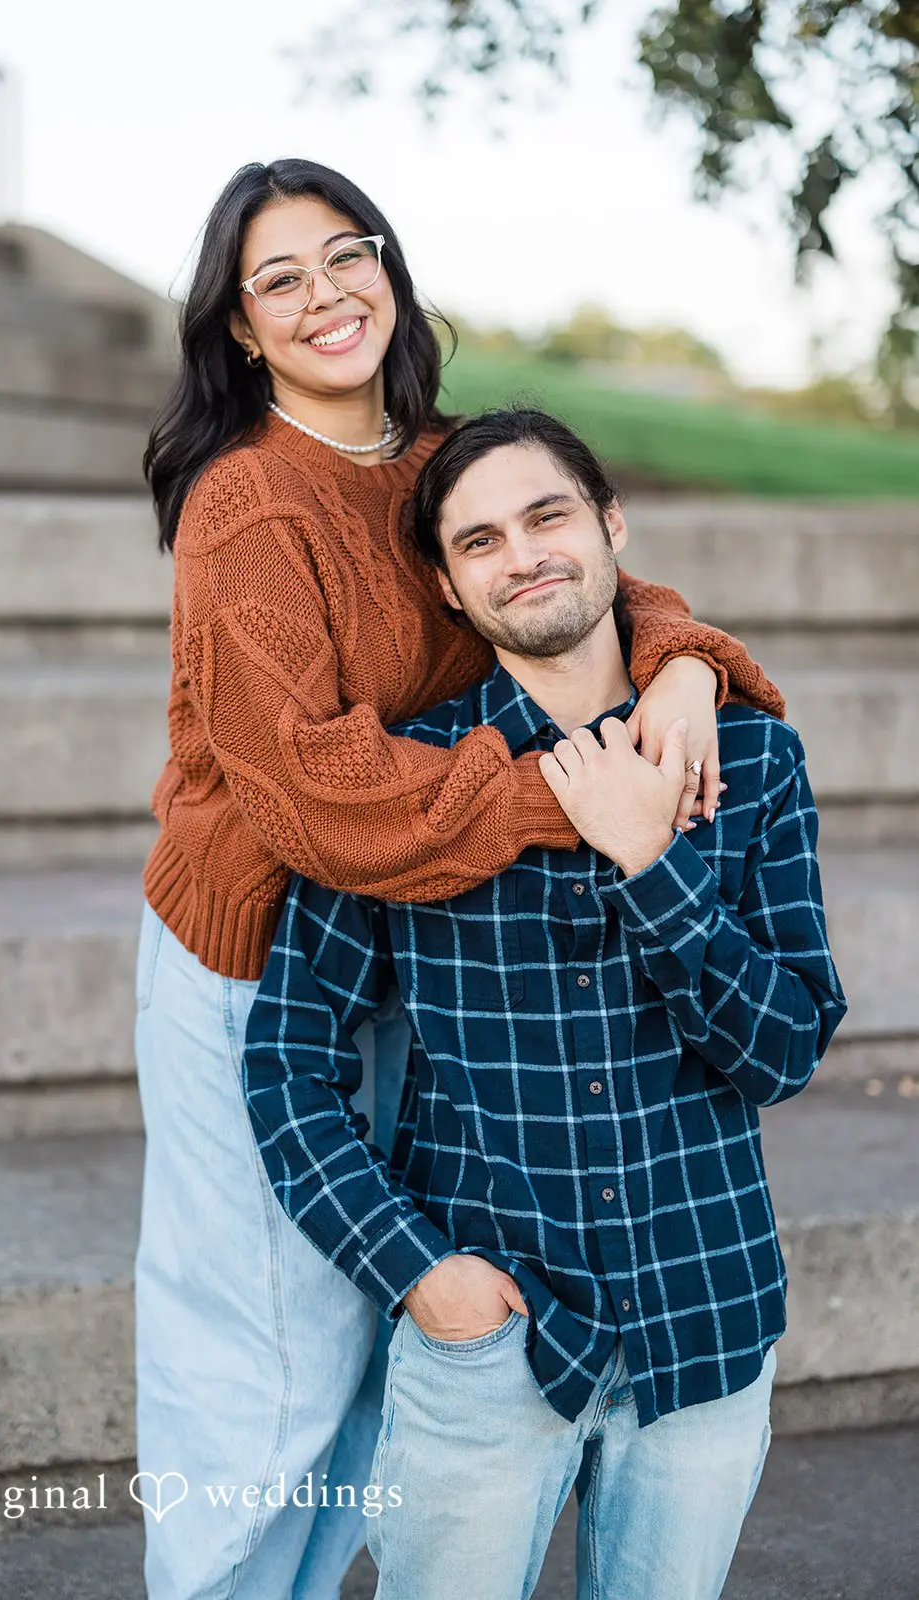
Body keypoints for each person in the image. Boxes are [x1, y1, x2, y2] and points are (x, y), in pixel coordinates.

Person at [136, 155, 787, 1600]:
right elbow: (315, 794)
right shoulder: (246, 505)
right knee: (267, 1374)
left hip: (420, 926)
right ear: (239, 326)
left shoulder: (434, 460)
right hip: (263, 941)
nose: (323, 295)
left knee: (384, 1372)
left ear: (387, 264)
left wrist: (684, 662)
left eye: (344, 254)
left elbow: (579, 573)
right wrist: (584, 794)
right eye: (277, 280)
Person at [243, 407, 847, 1600]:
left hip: (704, 1315)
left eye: (545, 516)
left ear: (610, 524)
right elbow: (285, 1061)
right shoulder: (403, 788)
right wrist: (421, 1273)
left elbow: (780, 1049)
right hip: (490, 1339)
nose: (520, 556)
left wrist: (650, 863)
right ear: (446, 585)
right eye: (478, 541)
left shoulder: (749, 762)